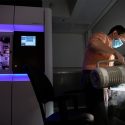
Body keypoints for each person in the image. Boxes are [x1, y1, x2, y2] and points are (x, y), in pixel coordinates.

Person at [82, 25, 125, 125]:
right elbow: (93, 44)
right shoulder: (102, 36)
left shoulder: (109, 48)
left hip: (102, 80)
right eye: (122, 40)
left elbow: (108, 66)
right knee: (99, 114)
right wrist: (115, 52)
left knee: (104, 112)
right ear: (115, 33)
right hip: (92, 77)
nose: (122, 43)